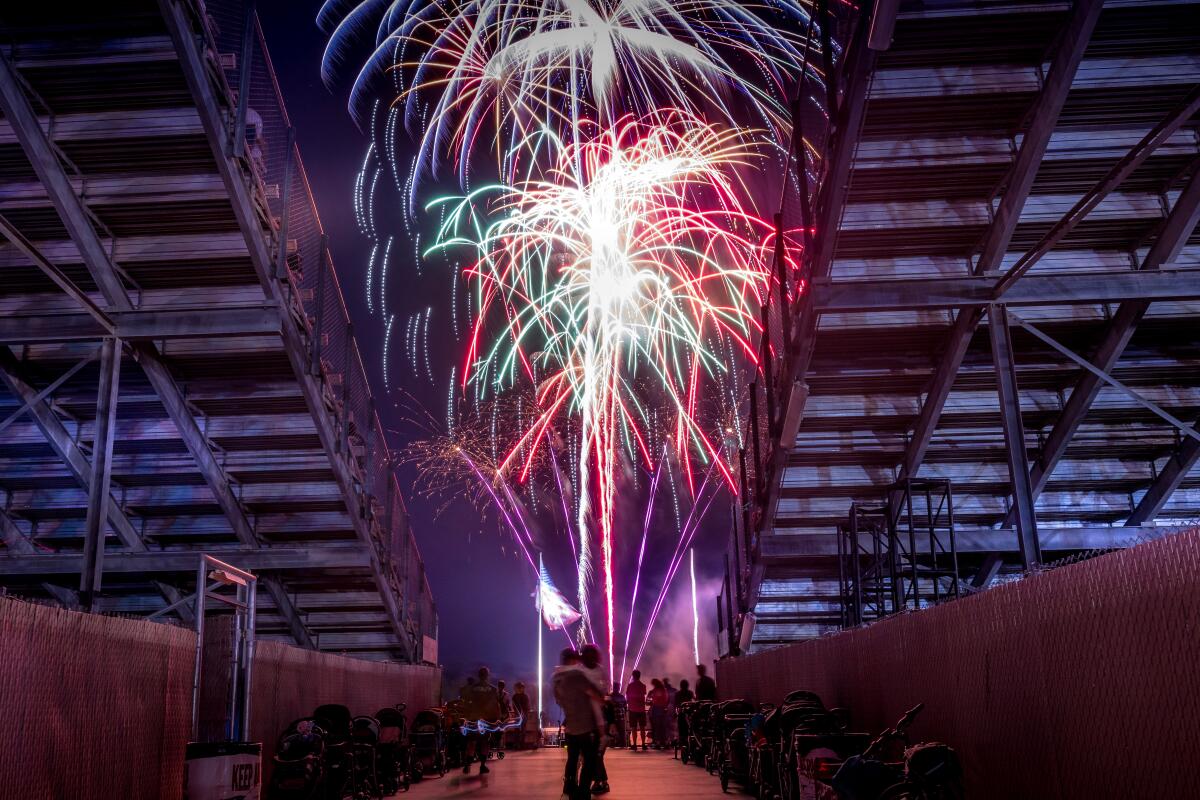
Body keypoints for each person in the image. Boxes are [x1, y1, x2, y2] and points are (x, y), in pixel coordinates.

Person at [553, 649, 601, 800]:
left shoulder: (556, 678)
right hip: (586, 726)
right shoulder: (578, 676)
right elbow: (596, 693)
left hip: (570, 726)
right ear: (573, 660)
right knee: (589, 760)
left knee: (572, 759)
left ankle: (569, 788)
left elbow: (558, 700)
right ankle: (583, 791)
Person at [462, 666, 501, 774]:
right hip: (486, 719)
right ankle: (482, 765)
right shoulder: (493, 689)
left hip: (473, 718)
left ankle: (467, 765)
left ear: (478, 675)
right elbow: (495, 705)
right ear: (487, 676)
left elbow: (466, 702)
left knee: (471, 742)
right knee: (485, 742)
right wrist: (498, 719)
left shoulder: (471, 688)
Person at [625, 669, 648, 751]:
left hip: (632, 709)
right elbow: (643, 696)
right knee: (642, 728)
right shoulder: (643, 686)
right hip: (641, 709)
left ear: (633, 676)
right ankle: (643, 744)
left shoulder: (630, 686)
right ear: (639, 676)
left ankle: (634, 744)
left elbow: (627, 697)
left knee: (633, 728)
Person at [648, 678, 669, 749]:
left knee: (657, 727)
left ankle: (658, 742)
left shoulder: (655, 691)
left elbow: (654, 700)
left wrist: (652, 701)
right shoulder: (664, 690)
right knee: (663, 727)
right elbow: (666, 700)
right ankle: (664, 742)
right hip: (663, 709)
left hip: (657, 709)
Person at [674, 679, 694, 750]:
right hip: (689, 714)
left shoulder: (678, 694)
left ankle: (682, 744)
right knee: (689, 729)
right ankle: (690, 743)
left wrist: (675, 712)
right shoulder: (690, 693)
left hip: (681, 714)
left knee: (681, 730)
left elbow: (675, 704)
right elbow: (694, 700)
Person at [512, 682, 532, 749]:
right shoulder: (516, 696)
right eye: (519, 687)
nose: (520, 689)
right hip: (519, 716)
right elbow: (515, 706)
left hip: (521, 716)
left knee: (521, 730)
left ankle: (520, 744)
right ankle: (518, 744)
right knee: (518, 730)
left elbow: (527, 707)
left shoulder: (523, 696)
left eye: (521, 687)